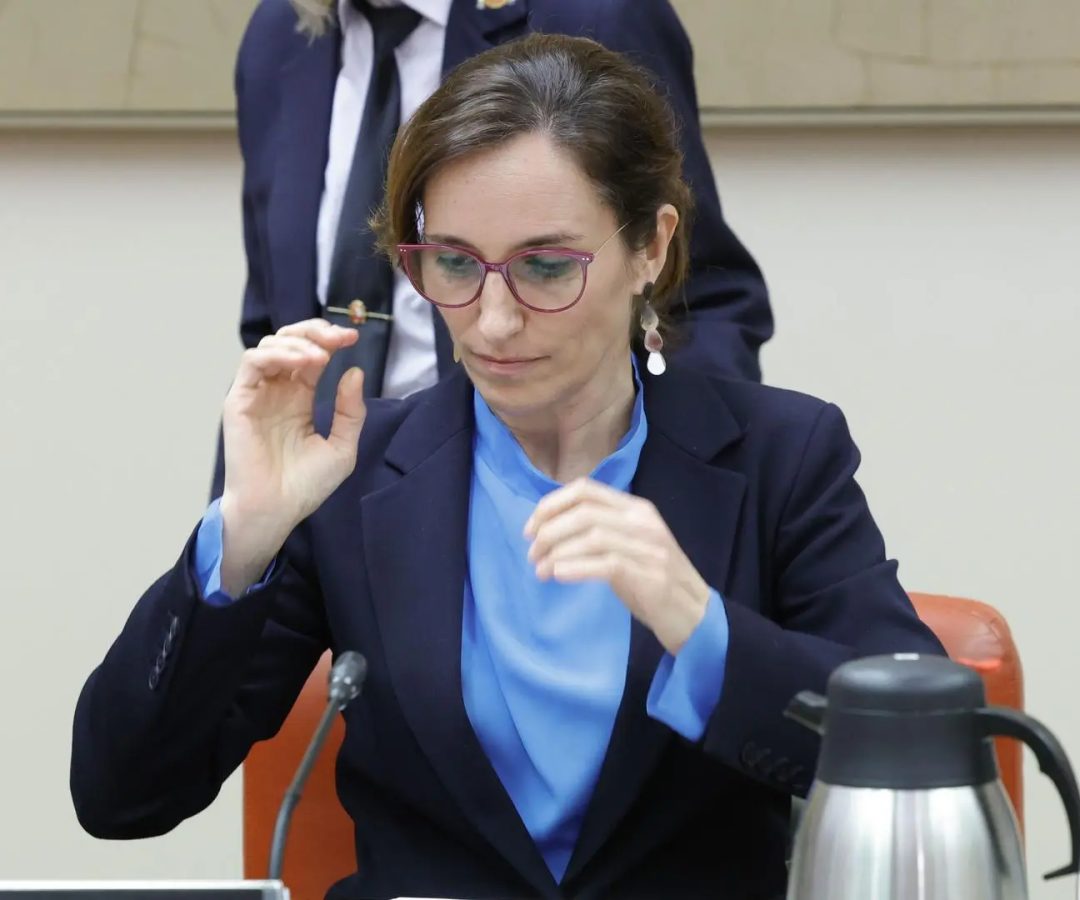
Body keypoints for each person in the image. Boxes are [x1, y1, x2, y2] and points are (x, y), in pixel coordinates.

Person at [73, 36, 942, 900]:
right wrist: (244, 535)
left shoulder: (780, 455)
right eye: (453, 263)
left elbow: (928, 757)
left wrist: (699, 627)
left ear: (651, 247)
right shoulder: (354, 474)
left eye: (545, 267)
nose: (490, 322)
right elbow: (122, 796)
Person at [229, 0, 772, 401]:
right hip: (310, 506)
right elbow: (270, 320)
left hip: (534, 495)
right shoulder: (279, 35)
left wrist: (680, 492)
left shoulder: (598, 14)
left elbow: (701, 294)